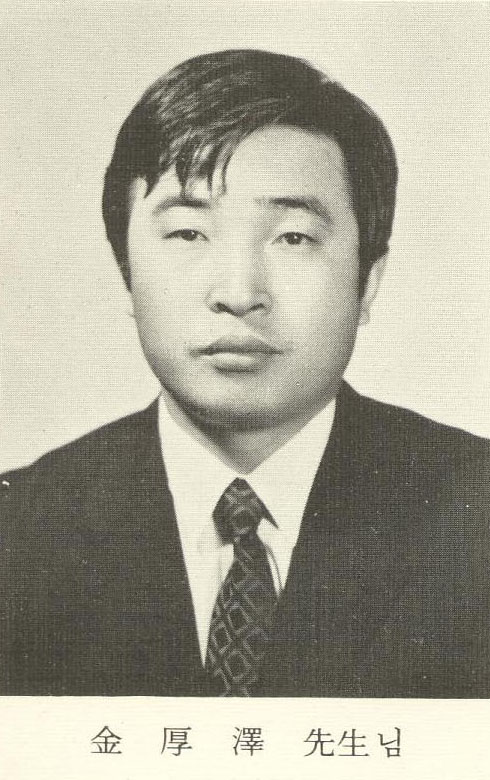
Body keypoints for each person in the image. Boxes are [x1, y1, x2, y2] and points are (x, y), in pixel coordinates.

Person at [1, 49, 488, 697]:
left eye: (292, 237)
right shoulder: (18, 533)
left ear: (368, 281)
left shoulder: (474, 516)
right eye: (187, 234)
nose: (238, 293)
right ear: (126, 272)